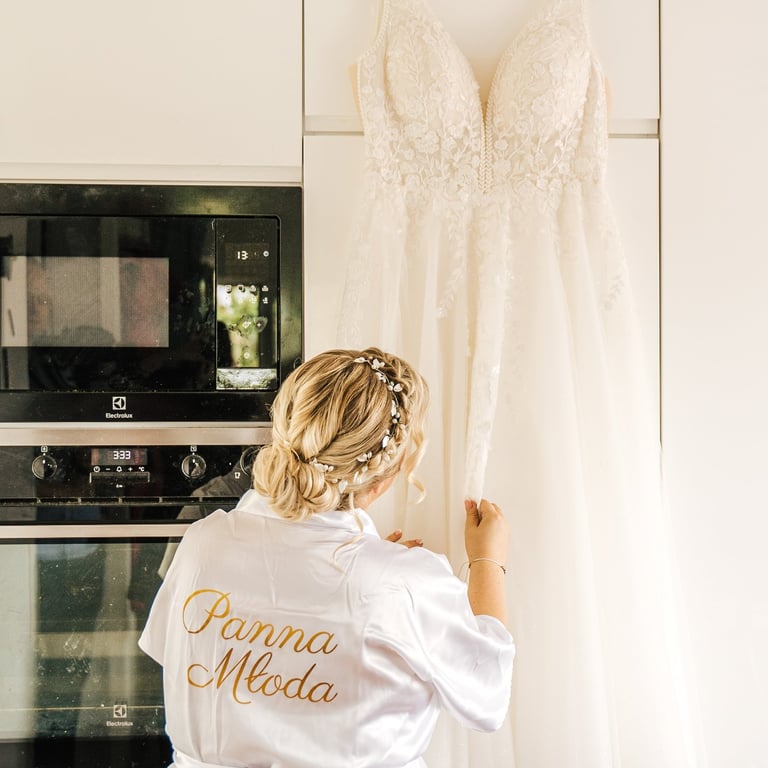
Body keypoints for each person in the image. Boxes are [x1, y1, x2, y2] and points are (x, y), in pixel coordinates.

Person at [138, 347, 514, 768]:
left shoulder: (203, 543)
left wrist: (380, 576)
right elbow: (488, 696)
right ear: (385, 478)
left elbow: (173, 654)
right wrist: (486, 560)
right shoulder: (404, 584)